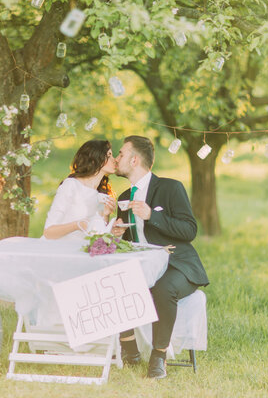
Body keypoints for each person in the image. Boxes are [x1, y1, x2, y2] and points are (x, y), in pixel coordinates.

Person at [111, 135, 209, 379]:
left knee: (162, 289)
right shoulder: (123, 197)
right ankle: (130, 350)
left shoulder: (170, 188)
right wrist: (115, 234)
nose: (116, 158)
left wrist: (151, 216)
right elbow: (128, 243)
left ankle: (158, 356)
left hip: (177, 265)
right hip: (142, 265)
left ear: (134, 160)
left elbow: (189, 230)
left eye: (121, 154)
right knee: (115, 280)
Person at [43, 139, 116, 240]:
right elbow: (48, 232)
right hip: (57, 249)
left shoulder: (101, 194)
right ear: (95, 159)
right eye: (109, 156)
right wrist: (77, 225)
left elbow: (99, 235)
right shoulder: (71, 185)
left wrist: (106, 215)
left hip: (82, 251)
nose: (114, 160)